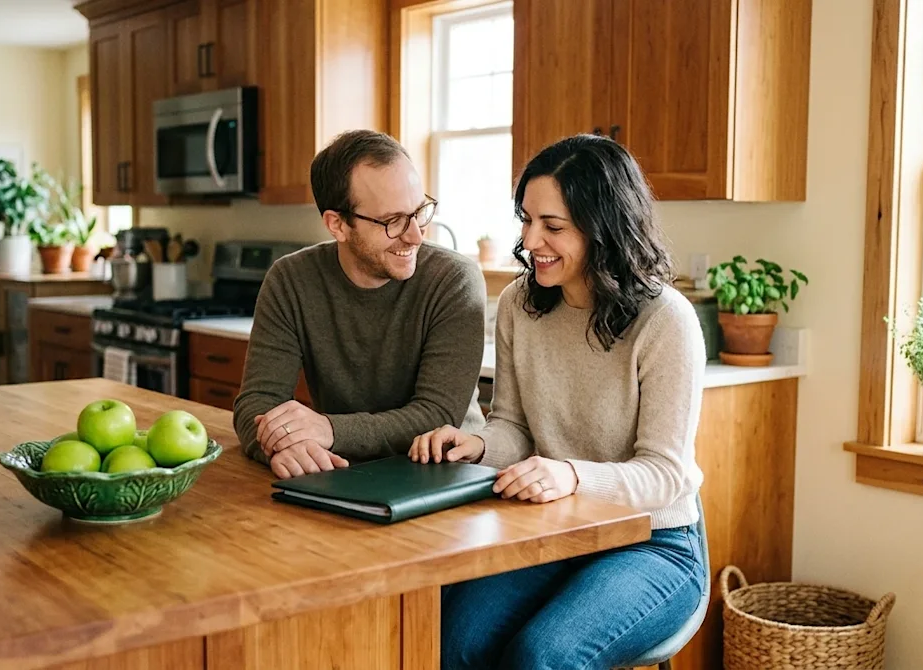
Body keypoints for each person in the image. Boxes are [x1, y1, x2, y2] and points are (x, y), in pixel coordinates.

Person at [409, 134, 707, 670]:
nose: (530, 241)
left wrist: (571, 475)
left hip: (654, 541)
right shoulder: (520, 305)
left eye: (553, 227)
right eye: (526, 220)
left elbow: (666, 474)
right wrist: (476, 445)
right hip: (551, 532)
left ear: (604, 229)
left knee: (540, 655)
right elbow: (515, 428)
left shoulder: (666, 321)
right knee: (449, 638)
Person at [234, 129, 487, 480]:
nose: (415, 235)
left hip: (444, 476)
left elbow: (436, 414)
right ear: (337, 225)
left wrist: (329, 431)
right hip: (340, 474)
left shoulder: (453, 279)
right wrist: (282, 446)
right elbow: (255, 402)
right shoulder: (291, 280)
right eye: (392, 221)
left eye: (419, 211)